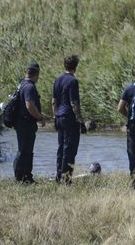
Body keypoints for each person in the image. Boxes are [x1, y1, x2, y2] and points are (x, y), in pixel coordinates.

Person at [52, 55, 85, 184]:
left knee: (61, 147)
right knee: (70, 148)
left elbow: (54, 101)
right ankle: (66, 179)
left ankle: (59, 175)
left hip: (59, 116)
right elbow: (74, 103)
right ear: (75, 66)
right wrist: (81, 121)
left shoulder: (57, 79)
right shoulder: (73, 81)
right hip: (69, 118)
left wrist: (55, 116)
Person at [13, 62, 45, 184]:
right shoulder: (29, 87)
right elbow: (29, 105)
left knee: (25, 150)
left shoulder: (21, 84)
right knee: (24, 151)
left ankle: (25, 177)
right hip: (26, 124)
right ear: (36, 74)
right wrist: (40, 117)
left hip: (21, 123)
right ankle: (21, 178)